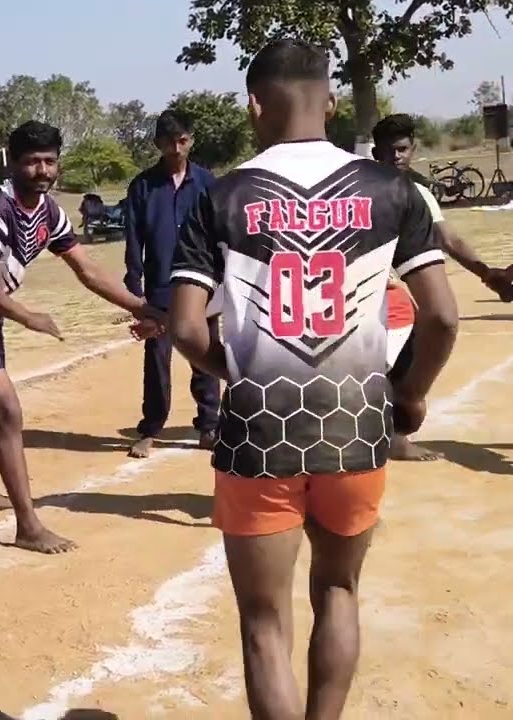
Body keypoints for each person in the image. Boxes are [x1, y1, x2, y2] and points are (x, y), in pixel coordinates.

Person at [166, 40, 458, 719]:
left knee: (264, 625)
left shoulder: (222, 196)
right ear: (329, 100)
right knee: (339, 593)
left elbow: (184, 329)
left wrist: (240, 370)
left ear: (253, 105)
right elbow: (440, 317)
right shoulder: (393, 190)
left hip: (258, 436)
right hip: (357, 428)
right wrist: (407, 394)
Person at [0, 119, 160, 554]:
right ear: (13, 162)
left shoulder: (48, 211)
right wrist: (29, 317)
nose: (42, 170)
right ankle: (28, 526)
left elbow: (88, 270)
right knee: (7, 409)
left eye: (49, 161)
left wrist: (141, 306)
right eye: (32, 162)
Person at [371, 112, 511, 460]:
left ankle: (393, 431)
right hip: (369, 296)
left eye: (402, 149)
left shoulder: (416, 192)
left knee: (403, 358)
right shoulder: (366, 189)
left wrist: (487, 273)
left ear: (413, 149)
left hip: (389, 296)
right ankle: (393, 425)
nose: (397, 157)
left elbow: (448, 237)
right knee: (420, 339)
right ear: (376, 154)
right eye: (389, 151)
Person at [122, 111, 222, 458]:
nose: (176, 148)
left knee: (205, 356)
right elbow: (133, 239)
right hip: (161, 288)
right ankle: (150, 429)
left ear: (191, 140)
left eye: (182, 140)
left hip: (201, 287)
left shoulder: (208, 183)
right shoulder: (143, 186)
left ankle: (210, 426)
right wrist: (134, 288)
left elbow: (220, 235)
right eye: (168, 142)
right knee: (157, 360)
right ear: (157, 144)